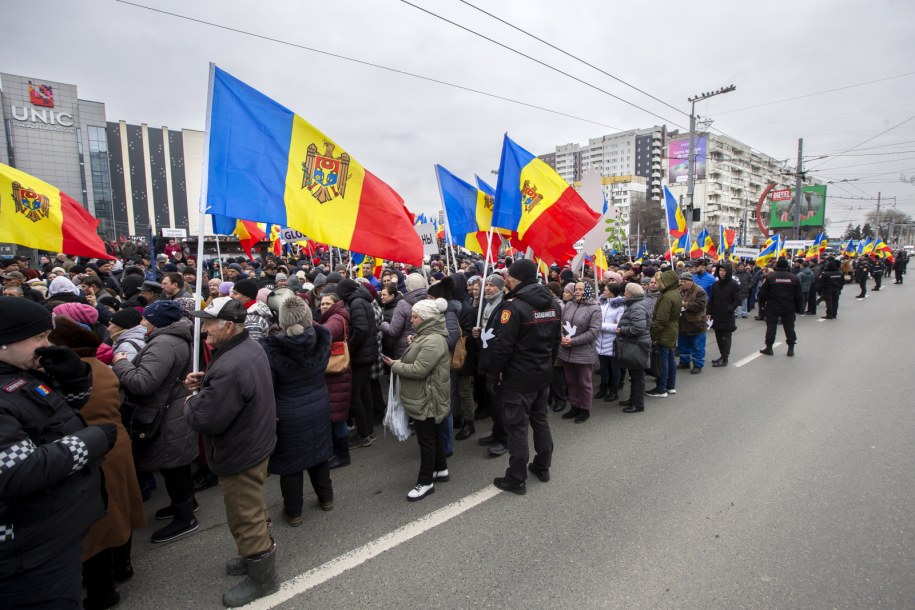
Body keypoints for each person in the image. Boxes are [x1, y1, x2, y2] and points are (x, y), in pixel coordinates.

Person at [0, 298, 117, 609]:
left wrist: (75, 378)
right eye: (38, 337)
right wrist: (92, 439)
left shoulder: (17, 375)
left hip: (47, 533)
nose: (46, 344)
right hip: (24, 551)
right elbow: (18, 470)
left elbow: (54, 417)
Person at [184, 297, 278, 607]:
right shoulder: (244, 348)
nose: (203, 328)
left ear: (228, 326)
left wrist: (192, 400)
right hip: (254, 441)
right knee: (250, 506)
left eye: (209, 323)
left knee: (244, 515)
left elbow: (205, 418)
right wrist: (208, 384)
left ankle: (263, 576)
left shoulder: (231, 363)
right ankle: (254, 553)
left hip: (240, 450)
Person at [49, 317, 146, 610]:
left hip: (92, 451)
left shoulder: (73, 377)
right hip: (115, 444)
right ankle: (123, 566)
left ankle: (102, 591)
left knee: (98, 523)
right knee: (120, 507)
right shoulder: (102, 368)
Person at [111, 300, 198, 544]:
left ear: (158, 322)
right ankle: (187, 503)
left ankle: (185, 518)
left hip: (165, 412)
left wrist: (121, 363)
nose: (142, 323)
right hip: (172, 408)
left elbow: (143, 383)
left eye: (145, 319)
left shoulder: (163, 344)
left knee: (172, 465)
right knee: (176, 463)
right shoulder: (174, 338)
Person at [484, 259, 560, 494]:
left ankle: (516, 478)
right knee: (540, 420)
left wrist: (493, 373)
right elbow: (556, 342)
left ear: (518, 278)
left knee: (517, 427)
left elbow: (503, 346)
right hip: (542, 374)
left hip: (518, 378)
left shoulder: (513, 306)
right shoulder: (554, 304)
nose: (507, 279)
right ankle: (542, 465)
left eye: (510, 276)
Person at [261, 296, 334, 526]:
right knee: (319, 453)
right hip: (319, 402)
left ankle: (294, 512)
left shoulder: (271, 348)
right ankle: (326, 499)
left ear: (282, 321)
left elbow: (268, 386)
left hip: (288, 411)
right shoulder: (322, 338)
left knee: (291, 464)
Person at [383, 299, 451, 501]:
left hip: (427, 398)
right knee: (434, 437)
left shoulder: (433, 340)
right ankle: (441, 469)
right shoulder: (428, 336)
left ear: (426, 319)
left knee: (426, 441)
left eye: (415, 317)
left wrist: (394, 365)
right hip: (426, 395)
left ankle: (426, 482)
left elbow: (420, 370)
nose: (411, 320)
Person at [336, 278, 379, 449]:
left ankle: (363, 434)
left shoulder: (356, 303)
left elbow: (361, 329)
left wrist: (350, 347)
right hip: (367, 353)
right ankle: (368, 430)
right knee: (364, 392)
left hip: (362, 354)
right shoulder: (361, 300)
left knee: (355, 394)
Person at [557, 282, 601, 423]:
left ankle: (584, 409)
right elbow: (561, 323)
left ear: (587, 290)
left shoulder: (594, 308)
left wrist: (573, 341)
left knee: (584, 382)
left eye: (581, 289)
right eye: (576, 289)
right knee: (570, 381)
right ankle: (574, 406)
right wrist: (562, 336)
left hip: (583, 351)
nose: (577, 292)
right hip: (566, 350)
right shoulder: (569, 305)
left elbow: (593, 331)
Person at [319, 293, 352, 469]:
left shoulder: (337, 318)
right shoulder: (331, 316)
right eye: (322, 303)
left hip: (338, 374)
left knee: (338, 417)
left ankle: (342, 455)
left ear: (335, 304)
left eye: (327, 303)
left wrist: (306, 321)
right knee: (334, 415)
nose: (323, 306)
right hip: (334, 375)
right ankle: (337, 453)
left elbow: (326, 333)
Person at [616, 283, 653, 413]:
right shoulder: (637, 304)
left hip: (637, 344)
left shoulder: (637, 306)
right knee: (635, 374)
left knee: (637, 376)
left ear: (631, 294)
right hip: (636, 343)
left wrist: (622, 330)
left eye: (626, 291)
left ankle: (638, 404)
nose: (624, 293)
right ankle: (633, 399)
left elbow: (639, 327)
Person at [758, 257, 804, 357]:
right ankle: (791, 349)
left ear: (777, 266)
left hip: (773, 306)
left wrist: (761, 306)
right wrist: (799, 308)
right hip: (789, 307)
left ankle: (769, 348)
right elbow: (799, 295)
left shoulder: (771, 277)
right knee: (789, 328)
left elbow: (762, 293)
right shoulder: (793, 278)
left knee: (771, 328)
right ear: (787, 266)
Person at [646, 269, 682, 396]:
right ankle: (671, 385)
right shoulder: (675, 292)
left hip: (665, 331)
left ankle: (661, 388)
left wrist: (654, 335)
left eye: (661, 281)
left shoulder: (666, 296)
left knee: (663, 361)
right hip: (672, 329)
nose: (659, 283)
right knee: (670, 359)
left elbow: (661, 319)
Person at [595, 282, 625, 403]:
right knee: (603, 367)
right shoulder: (602, 302)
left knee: (614, 367)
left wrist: (599, 325)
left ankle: (614, 390)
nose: (603, 292)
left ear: (612, 293)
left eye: (606, 290)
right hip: (600, 340)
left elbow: (618, 326)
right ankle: (603, 387)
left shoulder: (621, 306)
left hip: (613, 341)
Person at [707, 263, 741, 367]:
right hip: (716, 315)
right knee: (718, 337)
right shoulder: (715, 285)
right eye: (720, 270)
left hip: (727, 316)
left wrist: (729, 309)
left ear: (728, 272)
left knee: (725, 337)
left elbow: (737, 300)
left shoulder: (733, 284)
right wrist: (709, 312)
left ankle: (725, 358)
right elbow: (711, 300)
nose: (722, 273)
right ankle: (722, 356)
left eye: (724, 271)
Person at [677, 272, 708, 370]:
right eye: (681, 281)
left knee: (697, 346)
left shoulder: (700, 291)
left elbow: (700, 306)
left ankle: (697, 365)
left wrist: (684, 304)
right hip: (683, 322)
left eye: (684, 281)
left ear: (691, 282)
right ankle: (684, 362)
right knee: (683, 344)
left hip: (697, 323)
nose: (682, 283)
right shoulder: (679, 290)